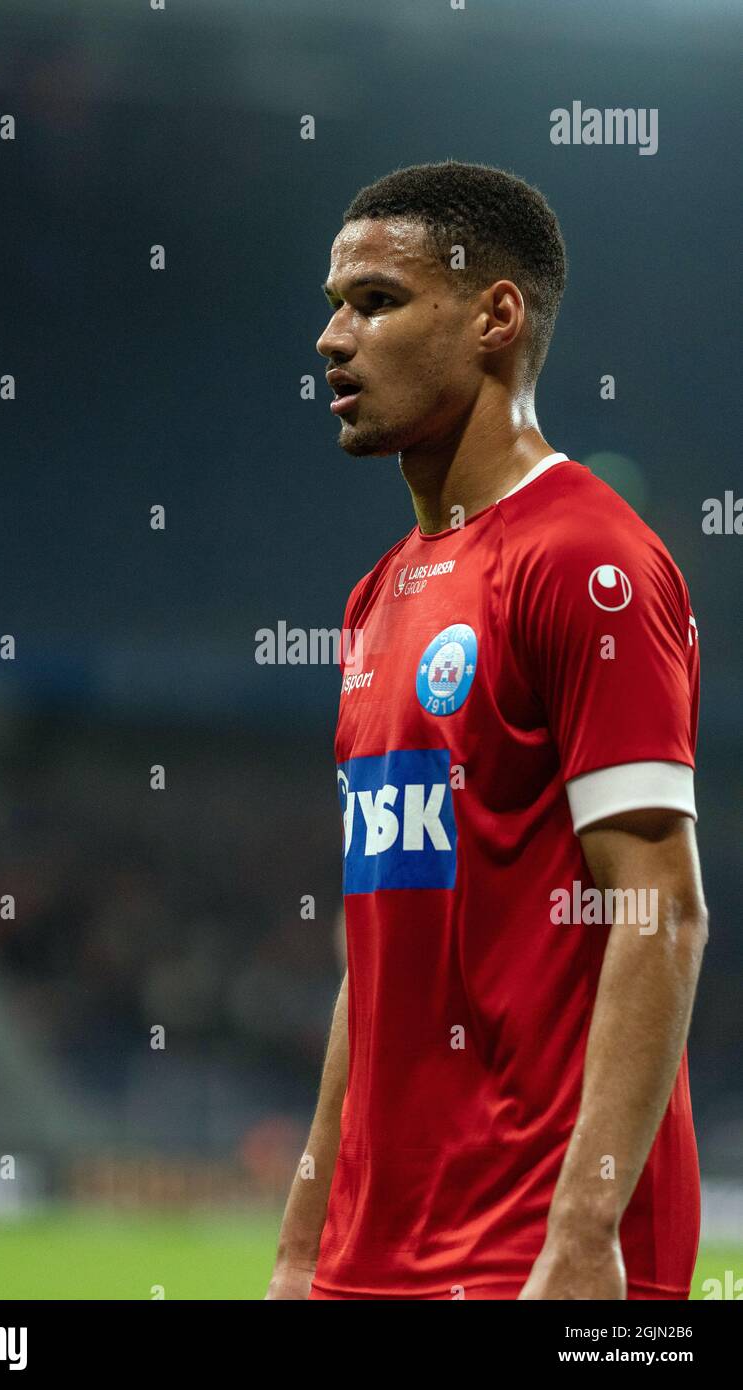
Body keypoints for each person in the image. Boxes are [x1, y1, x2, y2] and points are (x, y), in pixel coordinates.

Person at [266, 161, 708, 1301]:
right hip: (377, 1257)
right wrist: (301, 1247)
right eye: (331, 304)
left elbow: (661, 906)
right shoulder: (378, 598)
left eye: (373, 300)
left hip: (534, 1252)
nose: (332, 338)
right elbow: (373, 964)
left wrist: (584, 1233)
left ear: (494, 316)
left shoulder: (587, 560)